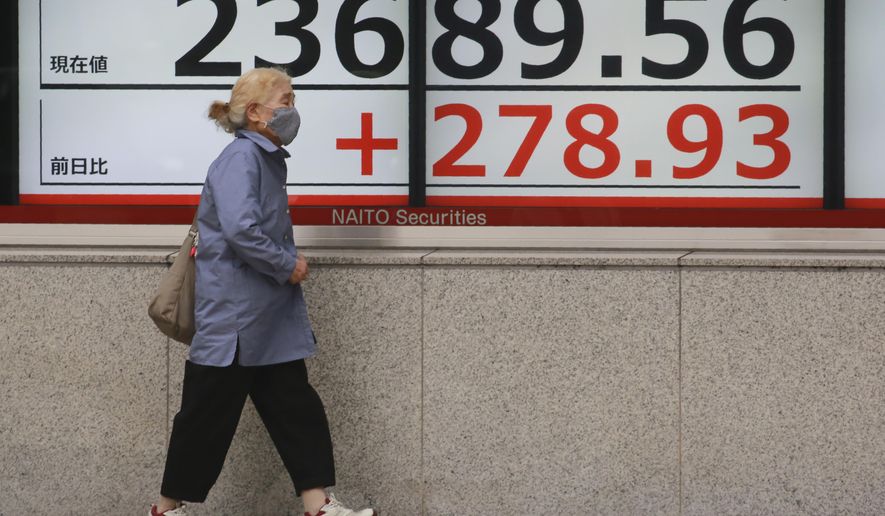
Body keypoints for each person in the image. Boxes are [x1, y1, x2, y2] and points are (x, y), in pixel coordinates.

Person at [150, 67, 374, 516]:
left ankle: (318, 505)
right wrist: (287, 264)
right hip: (234, 324)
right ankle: (166, 509)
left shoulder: (263, 157)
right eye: (286, 101)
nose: (293, 110)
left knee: (298, 414)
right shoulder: (241, 160)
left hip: (264, 323)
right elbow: (240, 229)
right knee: (203, 421)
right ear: (255, 112)